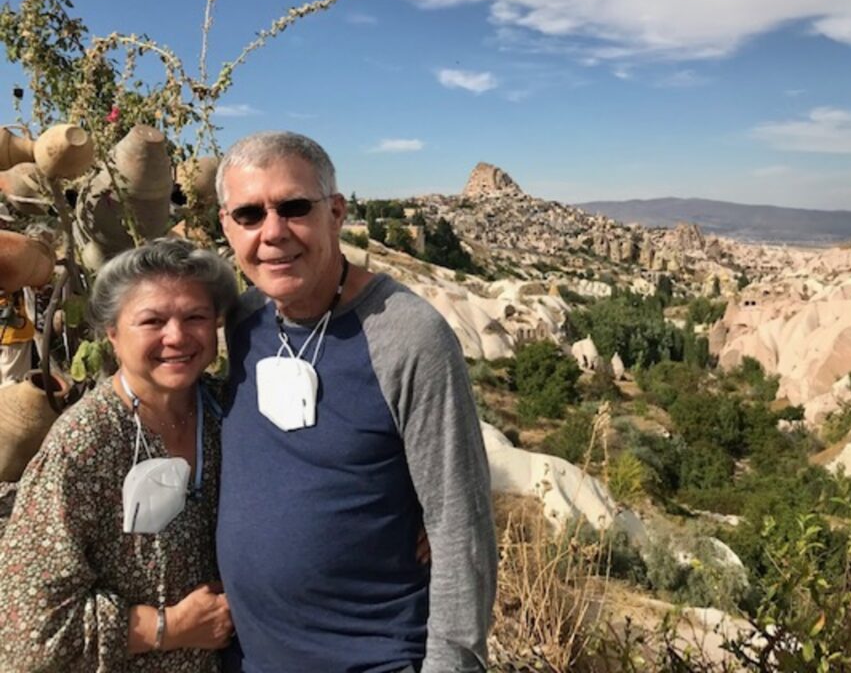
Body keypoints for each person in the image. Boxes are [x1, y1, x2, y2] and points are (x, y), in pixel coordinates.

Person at [215, 131, 497, 672]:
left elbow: (460, 527)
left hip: (375, 658)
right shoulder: (243, 320)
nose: (272, 233)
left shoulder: (409, 336)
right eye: (249, 214)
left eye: (294, 207)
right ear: (227, 226)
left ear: (336, 212)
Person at [0, 239, 238, 672]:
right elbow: (30, 631)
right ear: (112, 333)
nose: (177, 336)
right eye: (152, 320)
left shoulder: (227, 413)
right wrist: (172, 627)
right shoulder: (84, 445)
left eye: (195, 317)